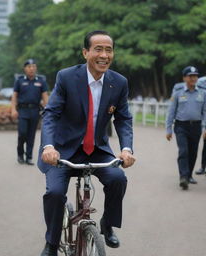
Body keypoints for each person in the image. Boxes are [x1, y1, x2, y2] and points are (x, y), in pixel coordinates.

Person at [37, 30, 136, 256]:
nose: (104, 55)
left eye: (108, 50)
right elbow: (51, 114)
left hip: (97, 150)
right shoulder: (66, 77)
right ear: (85, 53)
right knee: (54, 193)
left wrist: (127, 149)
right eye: (98, 49)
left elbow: (123, 119)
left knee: (118, 178)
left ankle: (107, 224)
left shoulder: (119, 82)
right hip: (62, 151)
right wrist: (49, 147)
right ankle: (51, 243)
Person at [166, 66, 206, 190]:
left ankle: (188, 176)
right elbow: (171, 111)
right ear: (184, 78)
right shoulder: (178, 92)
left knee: (193, 153)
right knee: (184, 151)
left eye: (195, 76)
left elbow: (205, 111)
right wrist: (168, 129)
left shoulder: (203, 92)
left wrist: (205, 128)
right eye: (190, 76)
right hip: (181, 126)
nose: (194, 78)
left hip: (196, 127)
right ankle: (183, 177)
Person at [11, 59, 48, 165]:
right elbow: (14, 96)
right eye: (29, 66)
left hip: (35, 111)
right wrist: (13, 109)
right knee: (22, 133)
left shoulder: (41, 81)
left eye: (33, 66)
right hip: (23, 110)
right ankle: (20, 154)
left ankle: (29, 157)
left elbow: (45, 97)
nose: (32, 68)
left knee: (31, 135)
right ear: (25, 69)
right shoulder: (20, 80)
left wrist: (48, 111)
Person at [172, 77, 206, 176]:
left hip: (197, 125)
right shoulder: (202, 81)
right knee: (184, 151)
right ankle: (185, 175)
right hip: (183, 124)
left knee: (193, 151)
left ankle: (189, 174)